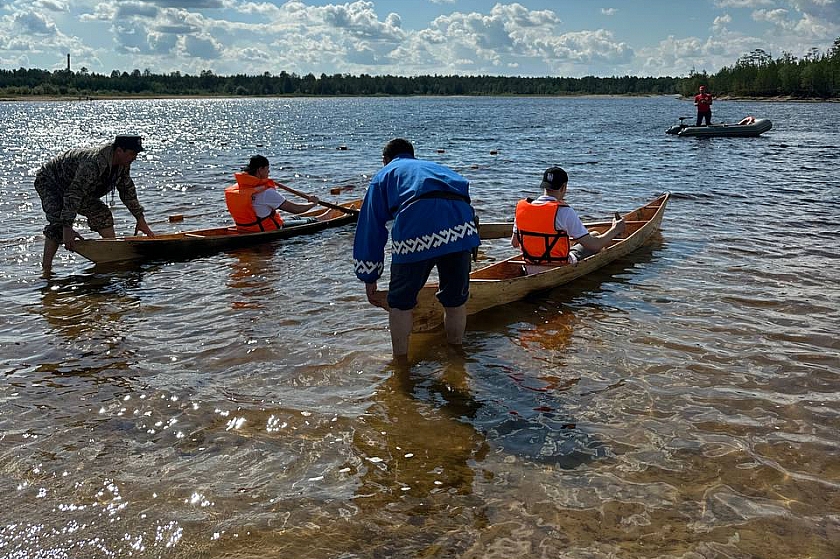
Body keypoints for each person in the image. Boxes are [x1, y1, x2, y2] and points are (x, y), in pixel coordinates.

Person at [353, 138, 480, 358]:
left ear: (385, 160)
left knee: (400, 303)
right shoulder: (436, 168)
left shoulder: (384, 176)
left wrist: (369, 276)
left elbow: (370, 228)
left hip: (416, 225)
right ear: (413, 154)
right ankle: (456, 354)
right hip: (461, 226)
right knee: (455, 300)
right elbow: (464, 192)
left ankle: (400, 364)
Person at [34, 134, 154, 277]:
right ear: (119, 151)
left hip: (75, 188)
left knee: (102, 214)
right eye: (132, 153)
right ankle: (46, 271)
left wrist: (140, 220)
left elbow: (127, 192)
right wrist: (67, 227)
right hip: (50, 183)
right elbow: (74, 194)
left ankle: (112, 254)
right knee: (58, 224)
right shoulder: (94, 162)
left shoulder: (122, 165)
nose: (134, 157)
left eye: (136, 154)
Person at [511, 166, 625, 266]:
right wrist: (615, 230)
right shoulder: (564, 211)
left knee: (591, 235)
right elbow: (593, 246)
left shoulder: (522, 209)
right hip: (559, 265)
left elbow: (515, 243)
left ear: (544, 187)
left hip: (529, 266)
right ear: (563, 187)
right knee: (595, 236)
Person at [224, 155, 320, 232]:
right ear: (260, 170)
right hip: (265, 229)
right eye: (267, 169)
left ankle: (324, 216)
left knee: (294, 218)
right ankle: (322, 218)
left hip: (244, 228)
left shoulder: (239, 188)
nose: (269, 171)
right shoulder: (266, 193)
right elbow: (295, 209)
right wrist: (313, 203)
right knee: (313, 221)